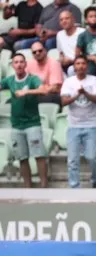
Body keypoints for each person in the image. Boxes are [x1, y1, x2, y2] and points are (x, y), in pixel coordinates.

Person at [0, 53, 49, 188]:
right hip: (16, 125)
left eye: (21, 62)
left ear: (26, 64)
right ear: (12, 65)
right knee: (22, 158)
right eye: (16, 62)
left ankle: (44, 185)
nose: (19, 64)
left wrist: (26, 92)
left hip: (32, 124)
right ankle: (28, 187)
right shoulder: (9, 80)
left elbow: (43, 90)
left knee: (39, 155)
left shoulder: (32, 79)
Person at [60, 56, 96, 189]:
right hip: (73, 125)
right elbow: (64, 102)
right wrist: (76, 95)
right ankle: (74, 187)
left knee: (92, 158)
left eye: (83, 63)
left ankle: (95, 180)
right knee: (72, 160)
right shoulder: (68, 82)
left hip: (90, 125)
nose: (80, 66)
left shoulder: (93, 80)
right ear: (74, 66)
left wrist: (85, 92)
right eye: (77, 63)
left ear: (87, 66)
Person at [56, 10, 85, 74]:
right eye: (61, 20)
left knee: (71, 70)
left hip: (81, 63)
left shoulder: (82, 32)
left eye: (67, 18)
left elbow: (86, 54)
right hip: (65, 64)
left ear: (73, 20)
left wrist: (72, 61)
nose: (64, 21)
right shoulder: (59, 34)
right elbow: (61, 53)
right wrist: (62, 60)